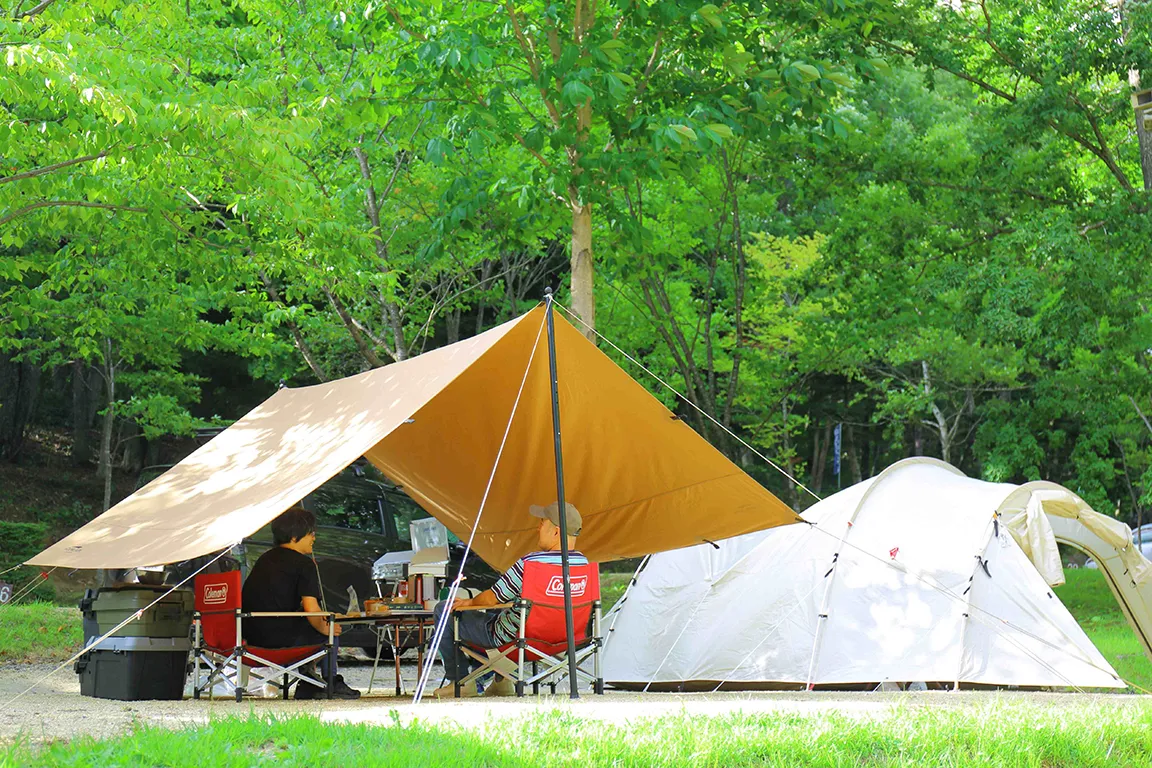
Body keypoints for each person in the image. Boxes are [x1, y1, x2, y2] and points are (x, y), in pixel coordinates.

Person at [431, 501, 587, 698]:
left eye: (541, 523)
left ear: (556, 532)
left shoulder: (531, 564)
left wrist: (468, 603)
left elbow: (492, 597)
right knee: (500, 610)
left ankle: (461, 682)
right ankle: (502, 680)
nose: (537, 528)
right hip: (561, 640)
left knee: (444, 610)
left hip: (515, 640)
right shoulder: (583, 564)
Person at [241, 505, 361, 700]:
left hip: (252, 637)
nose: (314, 538)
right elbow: (311, 609)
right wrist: (326, 626)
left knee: (314, 624)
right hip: (281, 641)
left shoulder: (264, 559)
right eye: (311, 533)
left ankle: (309, 682)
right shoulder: (304, 564)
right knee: (329, 627)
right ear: (295, 536)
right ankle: (330, 681)